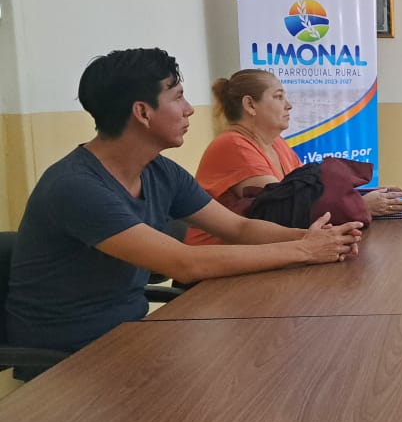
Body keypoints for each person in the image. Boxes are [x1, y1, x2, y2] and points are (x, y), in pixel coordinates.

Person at [5, 48, 362, 353]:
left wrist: (314, 239)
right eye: (177, 97)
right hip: (66, 355)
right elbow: (184, 264)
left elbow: (239, 227)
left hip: (126, 337)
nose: (190, 109)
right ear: (143, 112)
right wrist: (304, 250)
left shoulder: (159, 170)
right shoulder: (77, 187)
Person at [186, 70, 402, 245]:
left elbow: (310, 192)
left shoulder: (275, 143)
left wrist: (369, 193)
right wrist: (361, 205)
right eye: (278, 97)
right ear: (250, 105)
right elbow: (285, 211)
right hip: (219, 266)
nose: (289, 105)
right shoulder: (233, 145)